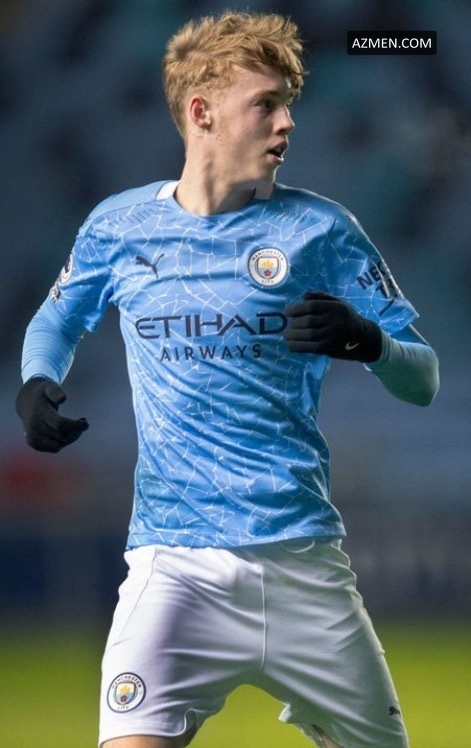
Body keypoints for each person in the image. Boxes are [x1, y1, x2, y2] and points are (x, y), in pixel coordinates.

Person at [15, 11, 439, 748]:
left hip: (302, 566)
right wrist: (35, 382)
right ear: (201, 112)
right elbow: (56, 319)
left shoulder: (322, 231)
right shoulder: (118, 227)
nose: (287, 122)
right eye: (266, 103)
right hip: (173, 568)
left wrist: (368, 341)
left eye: (289, 104)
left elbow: (423, 378)